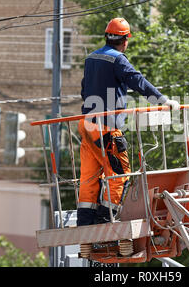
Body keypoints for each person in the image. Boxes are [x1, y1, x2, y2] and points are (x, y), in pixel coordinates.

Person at [77, 17, 180, 227]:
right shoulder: (118, 59)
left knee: (88, 179)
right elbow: (137, 81)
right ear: (125, 40)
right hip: (107, 129)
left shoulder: (91, 59)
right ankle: (106, 224)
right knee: (118, 176)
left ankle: (85, 224)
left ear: (107, 37)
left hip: (87, 125)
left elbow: (84, 90)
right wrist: (163, 100)